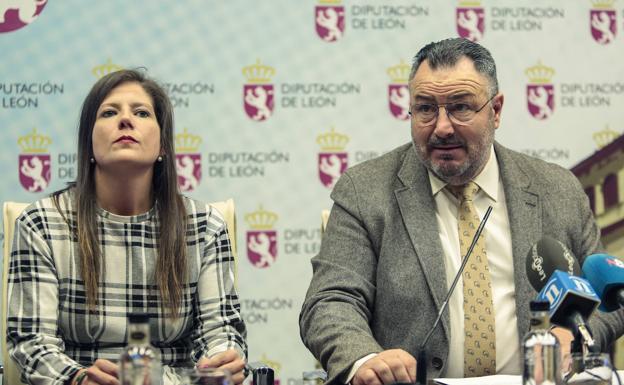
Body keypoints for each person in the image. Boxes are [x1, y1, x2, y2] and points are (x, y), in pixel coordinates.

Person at [299, 38, 624, 385]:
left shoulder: (557, 189)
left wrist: (574, 335)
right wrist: (365, 359)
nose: (441, 127)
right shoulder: (365, 191)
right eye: (425, 108)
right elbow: (330, 300)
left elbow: (609, 296)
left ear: (495, 111)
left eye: (460, 108)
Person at [7, 69, 247, 385]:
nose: (125, 120)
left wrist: (219, 363)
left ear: (163, 145)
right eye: (109, 112)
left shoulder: (205, 226)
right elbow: (32, 343)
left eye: (141, 112)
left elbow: (220, 334)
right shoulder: (42, 223)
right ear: (88, 143)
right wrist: (79, 379)